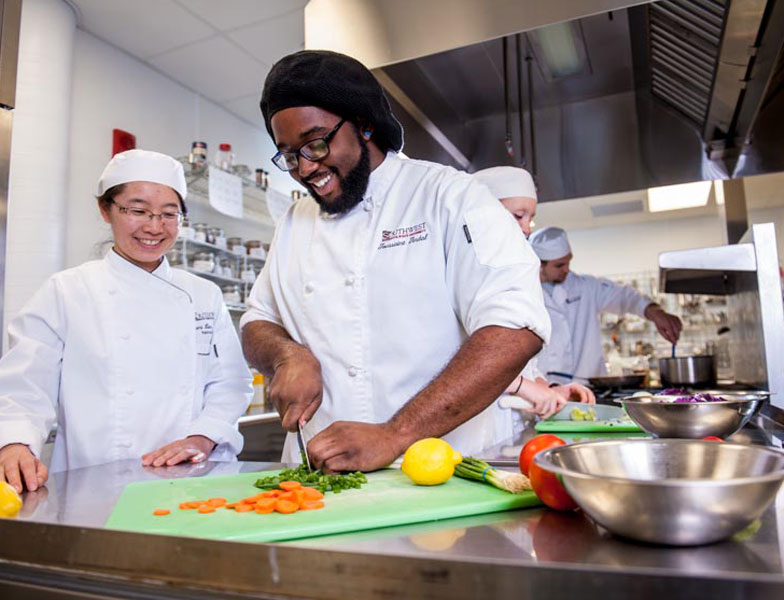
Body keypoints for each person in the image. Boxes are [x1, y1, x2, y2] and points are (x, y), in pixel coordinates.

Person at [241, 50, 552, 473]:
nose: (305, 168)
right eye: (290, 156)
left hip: (441, 475)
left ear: (364, 123)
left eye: (316, 143)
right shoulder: (295, 221)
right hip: (320, 478)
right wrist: (285, 356)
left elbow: (515, 327)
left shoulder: (448, 196)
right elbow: (257, 320)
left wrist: (396, 434)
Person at [0, 150, 253, 493]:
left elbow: (231, 384)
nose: (154, 227)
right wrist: (14, 441)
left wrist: (203, 436)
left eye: (169, 214)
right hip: (92, 483)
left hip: (188, 480)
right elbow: (25, 383)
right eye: (137, 211)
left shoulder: (203, 295)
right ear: (106, 210)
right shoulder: (68, 291)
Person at [473, 166, 594, 413]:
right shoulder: (465, 269)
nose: (527, 229)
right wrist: (522, 386)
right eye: (519, 216)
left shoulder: (508, 268)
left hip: (508, 417)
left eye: (530, 218)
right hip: (473, 420)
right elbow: (463, 355)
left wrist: (545, 387)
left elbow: (520, 359)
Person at [529, 226, 682, 384]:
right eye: (559, 265)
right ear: (540, 264)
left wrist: (657, 313)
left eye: (569, 262)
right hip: (545, 390)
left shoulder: (586, 287)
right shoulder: (525, 295)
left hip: (588, 387)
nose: (567, 269)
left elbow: (625, 297)